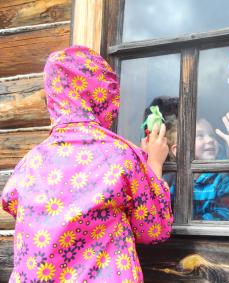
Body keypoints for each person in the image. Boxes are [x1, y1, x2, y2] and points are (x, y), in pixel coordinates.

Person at [1, 46, 173, 282]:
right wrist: (154, 162)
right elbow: (154, 228)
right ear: (102, 95)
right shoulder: (118, 155)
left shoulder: (29, 163)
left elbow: (10, 200)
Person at [166, 116, 229, 221]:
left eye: (212, 135)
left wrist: (192, 224)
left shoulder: (222, 179)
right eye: (200, 136)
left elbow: (224, 213)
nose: (210, 140)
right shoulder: (169, 181)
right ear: (179, 150)